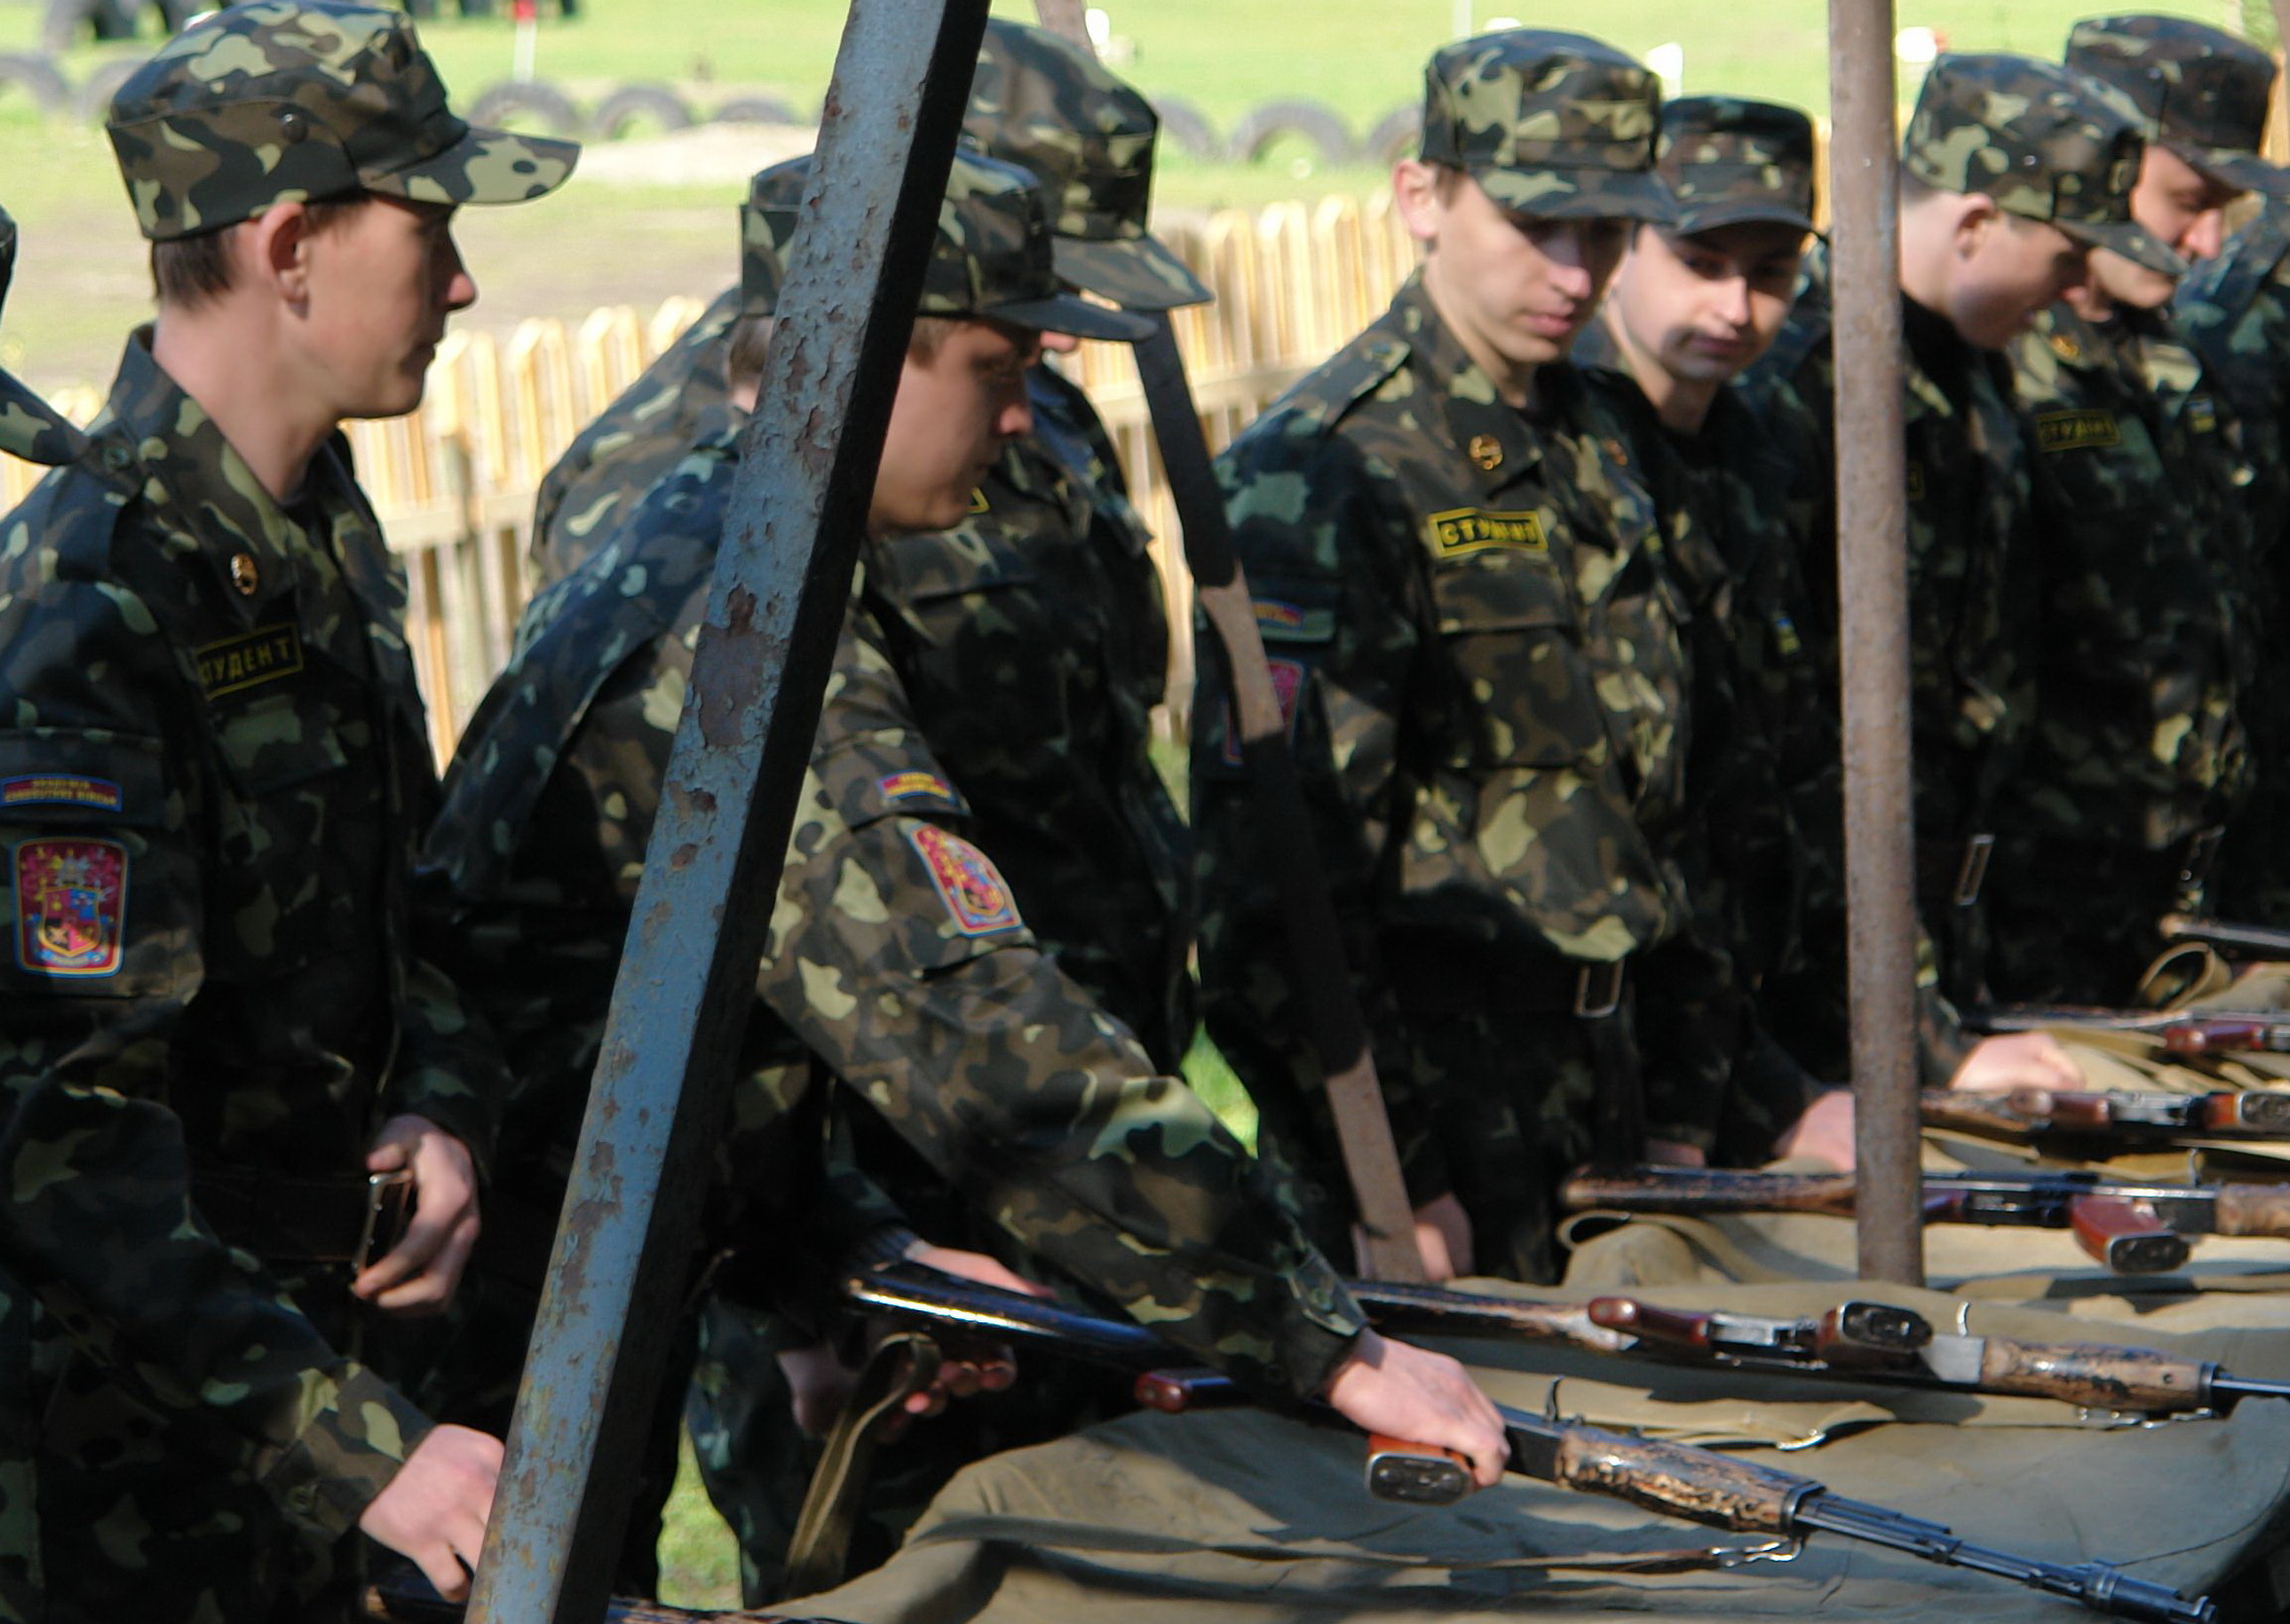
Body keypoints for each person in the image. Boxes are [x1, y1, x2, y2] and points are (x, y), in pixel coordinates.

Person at [421, 144, 1509, 1586]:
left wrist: (830, 1260)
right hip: (482, 1372)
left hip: (567, 1327)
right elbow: (976, 1027)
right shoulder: (738, 629)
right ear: (865, 360)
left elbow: (700, 1030)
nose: (1018, 416)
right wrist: (1324, 1338)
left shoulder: (738, 545)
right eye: (994, 365)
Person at [0, 4, 577, 1619]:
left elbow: (405, 909)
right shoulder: (88, 613)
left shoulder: (317, 529)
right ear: (291, 243)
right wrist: (364, 1452)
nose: (463, 283)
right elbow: (54, 1145)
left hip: (326, 1412)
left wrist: (441, 1104)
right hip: (140, 1499)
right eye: (434, 226)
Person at [678, 24, 1240, 1596]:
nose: (1037, 377)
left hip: (1015, 1188)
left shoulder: (1018, 447)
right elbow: (784, 945)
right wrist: (807, 1279)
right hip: (886, 1221)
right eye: (1008, 334)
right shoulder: (722, 505)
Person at [1193, 30, 1835, 1288]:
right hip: (1436, 1137)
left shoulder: (1611, 441)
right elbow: (1276, 890)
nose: (1574, 268)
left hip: (1620, 1099)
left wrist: (1692, 1106)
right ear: (1421, 198)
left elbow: (1694, 801)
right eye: (1539, 222)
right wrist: (1395, 1180)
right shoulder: (1328, 468)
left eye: (1604, 228)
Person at [1743, 52, 2177, 1073]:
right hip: (1836, 991)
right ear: (1976, 224)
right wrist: (1924, 1039)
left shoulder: (1967, 364)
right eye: (2067, 260)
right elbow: (1796, 755)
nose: (2078, 289)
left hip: (1958, 945)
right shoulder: (1813, 389)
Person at [1981, 17, 2284, 1007]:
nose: (2203, 243)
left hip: (2181, 911)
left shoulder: (2170, 361)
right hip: (2036, 922)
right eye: (2187, 202)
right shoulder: (2000, 367)